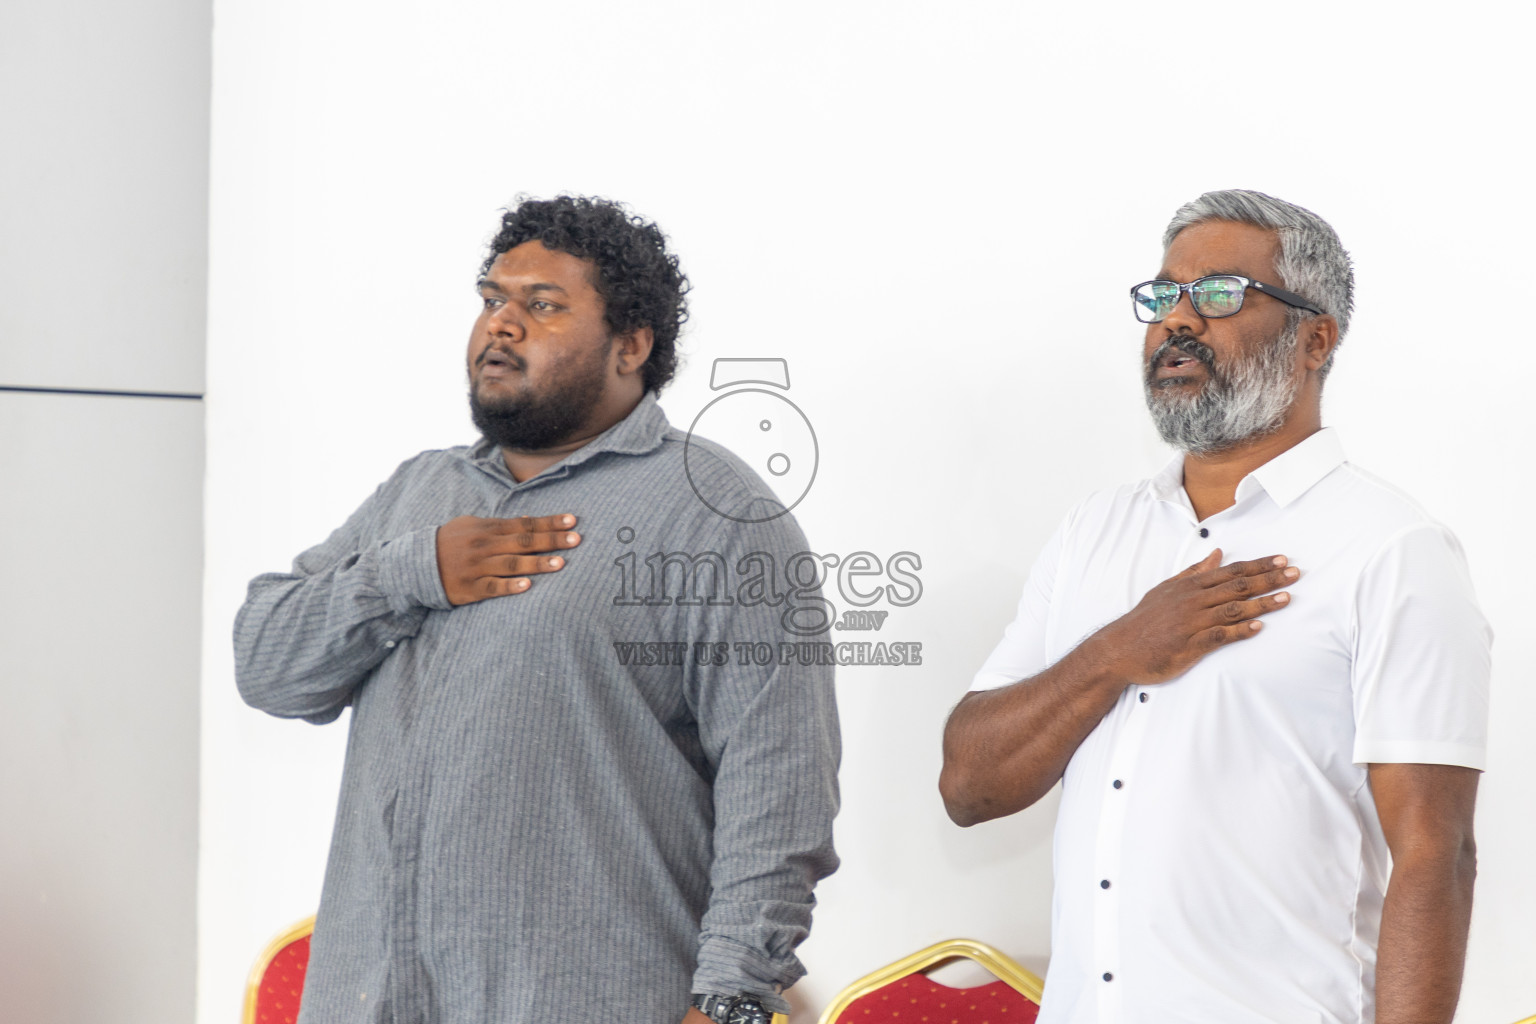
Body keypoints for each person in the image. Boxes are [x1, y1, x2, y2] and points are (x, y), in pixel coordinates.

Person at [235, 195, 840, 1024]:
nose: (502, 325)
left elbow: (780, 791)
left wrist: (733, 1000)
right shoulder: (421, 491)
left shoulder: (718, 513)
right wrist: (415, 570)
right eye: (492, 300)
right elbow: (268, 668)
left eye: (543, 305)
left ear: (630, 346)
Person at [939, 190, 1489, 1024]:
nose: (1176, 321)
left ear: (1315, 338)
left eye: (1221, 294)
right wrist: (1116, 651)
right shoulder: (1096, 530)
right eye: (1162, 297)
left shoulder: (1393, 548)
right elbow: (970, 786)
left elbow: (1435, 858)